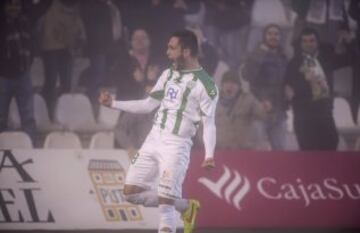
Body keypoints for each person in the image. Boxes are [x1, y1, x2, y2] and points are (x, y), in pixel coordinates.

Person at [99, 30, 218, 233]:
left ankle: (171, 204)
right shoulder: (168, 74)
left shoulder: (207, 85)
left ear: (187, 51)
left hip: (176, 145)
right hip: (152, 139)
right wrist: (113, 104)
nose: (167, 52)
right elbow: (147, 105)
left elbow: (209, 123)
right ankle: (185, 206)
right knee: (130, 194)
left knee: (165, 206)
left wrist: (209, 155)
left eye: (172, 48)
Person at [284, 27, 353, 150]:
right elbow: (289, 89)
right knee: (308, 155)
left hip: (324, 113)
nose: (308, 44)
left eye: (311, 40)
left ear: (317, 42)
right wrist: (305, 80)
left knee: (331, 145)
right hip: (304, 116)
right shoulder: (294, 63)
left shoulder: (327, 58)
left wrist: (349, 42)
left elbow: (351, 58)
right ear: (300, 43)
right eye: (304, 41)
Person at [242, 23, 288, 150]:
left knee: (280, 154)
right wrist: (260, 53)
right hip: (260, 111)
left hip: (279, 112)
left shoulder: (283, 57)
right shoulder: (255, 54)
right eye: (270, 34)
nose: (273, 37)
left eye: (276, 34)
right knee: (259, 153)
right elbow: (247, 75)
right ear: (264, 36)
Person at [0, 0, 37, 143]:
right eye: (10, 4)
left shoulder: (26, 21)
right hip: (3, 77)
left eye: (17, 4)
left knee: (28, 118)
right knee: (0, 117)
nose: (14, 8)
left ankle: (31, 149)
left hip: (24, 75)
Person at [212, 70, 269, 150]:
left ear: (239, 86)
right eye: (227, 82)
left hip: (243, 150)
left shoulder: (249, 99)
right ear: (222, 85)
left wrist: (266, 109)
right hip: (220, 150)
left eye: (234, 83)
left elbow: (262, 115)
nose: (230, 85)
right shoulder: (212, 102)